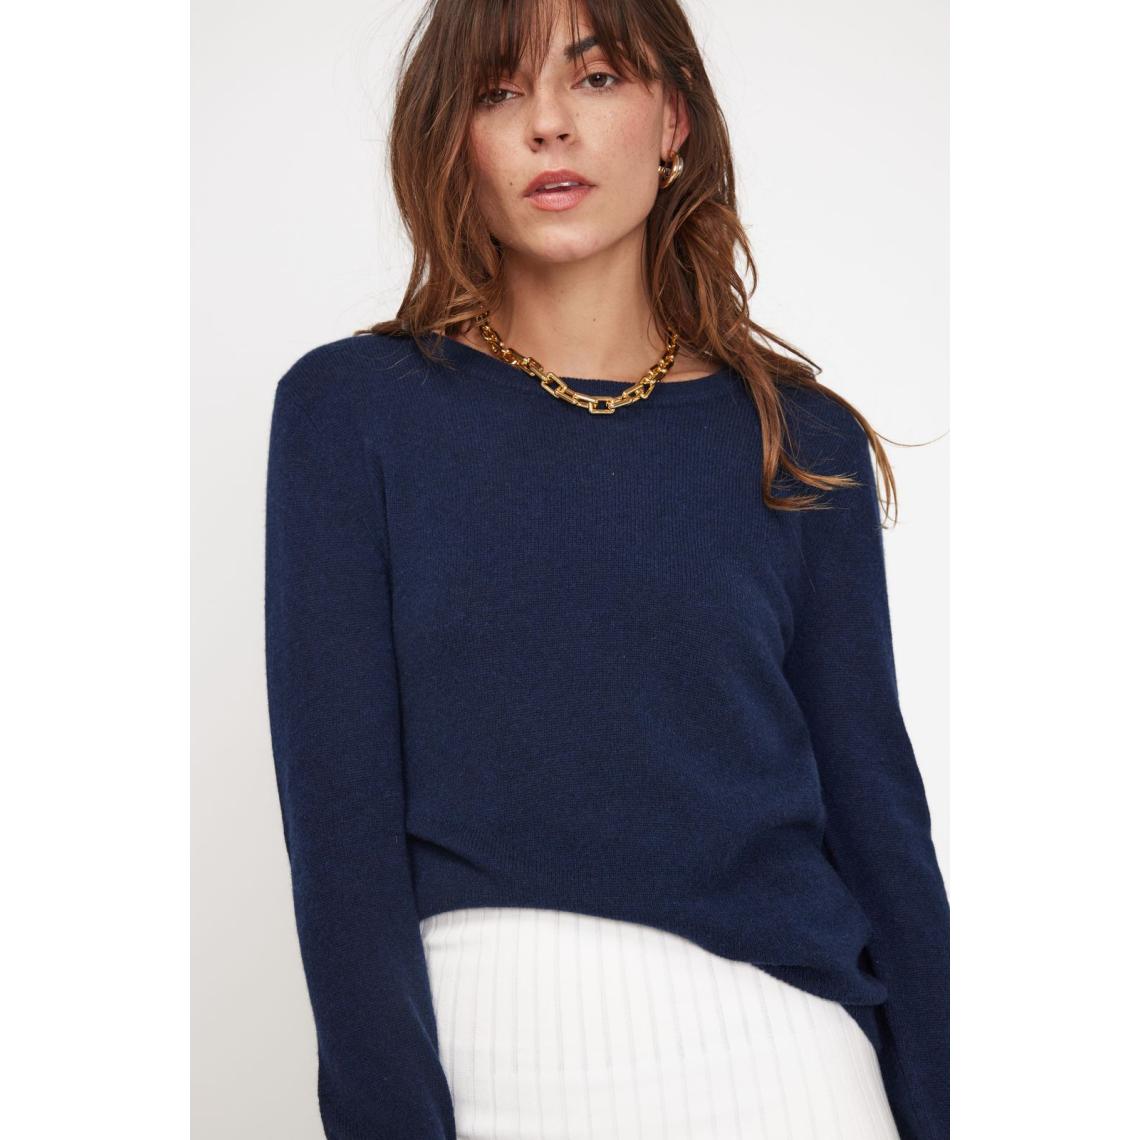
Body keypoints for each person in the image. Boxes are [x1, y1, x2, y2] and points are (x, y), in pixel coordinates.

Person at [262, 1, 950, 1138]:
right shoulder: (355, 414)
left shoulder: (796, 437)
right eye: (498, 92)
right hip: (491, 1055)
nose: (548, 124)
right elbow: (339, 837)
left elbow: (879, 822)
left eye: (594, 79)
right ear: (453, 140)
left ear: (672, 117)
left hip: (797, 1067)